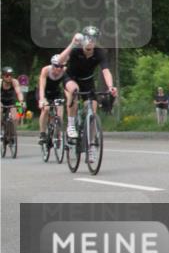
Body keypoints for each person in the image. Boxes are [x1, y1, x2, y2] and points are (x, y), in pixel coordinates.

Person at [56, 26, 118, 164]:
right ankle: (71, 124)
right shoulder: (76, 50)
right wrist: (72, 44)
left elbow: (106, 71)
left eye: (93, 39)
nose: (90, 41)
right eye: (88, 38)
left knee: (92, 110)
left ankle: (91, 146)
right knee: (74, 91)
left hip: (87, 81)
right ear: (83, 39)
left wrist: (110, 87)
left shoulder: (100, 53)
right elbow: (60, 61)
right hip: (71, 78)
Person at [37, 55, 68, 150]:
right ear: (52, 65)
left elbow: (66, 86)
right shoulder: (46, 70)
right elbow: (42, 86)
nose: (59, 69)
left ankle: (57, 135)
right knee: (46, 109)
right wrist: (42, 99)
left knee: (60, 115)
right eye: (56, 66)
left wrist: (69, 98)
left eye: (61, 66)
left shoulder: (64, 71)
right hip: (44, 92)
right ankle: (42, 133)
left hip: (56, 93)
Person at [1, 67, 24, 136]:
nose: (9, 77)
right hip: (1, 101)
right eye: (7, 75)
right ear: (3, 76)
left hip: (12, 102)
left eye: (11, 75)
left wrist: (21, 101)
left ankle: (13, 132)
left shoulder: (15, 82)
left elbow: (19, 93)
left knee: (16, 116)